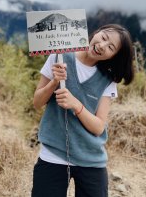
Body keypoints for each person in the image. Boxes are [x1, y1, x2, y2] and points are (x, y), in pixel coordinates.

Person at [31, 24, 134, 197]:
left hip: (91, 159)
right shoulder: (58, 55)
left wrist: (76, 105)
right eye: (104, 37)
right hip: (53, 154)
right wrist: (54, 82)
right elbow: (37, 102)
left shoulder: (108, 80)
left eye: (110, 47)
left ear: (114, 56)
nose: (102, 45)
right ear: (96, 33)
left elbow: (98, 127)